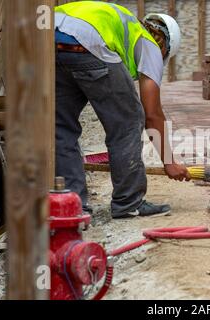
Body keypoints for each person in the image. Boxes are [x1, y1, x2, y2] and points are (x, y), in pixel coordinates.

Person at [54, 1, 190, 219]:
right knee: (128, 121)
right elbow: (152, 114)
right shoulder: (149, 44)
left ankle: (73, 207)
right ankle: (128, 203)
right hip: (88, 44)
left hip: (49, 42)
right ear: (164, 45)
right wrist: (169, 162)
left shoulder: (121, 23)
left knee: (59, 127)